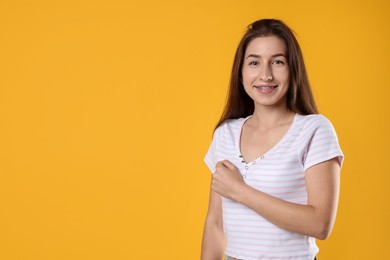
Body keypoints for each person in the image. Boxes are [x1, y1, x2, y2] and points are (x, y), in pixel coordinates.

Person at [201, 19, 344, 260]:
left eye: (277, 62)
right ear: (241, 72)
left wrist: (240, 191)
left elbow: (320, 224)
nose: (265, 75)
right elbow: (215, 222)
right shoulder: (225, 134)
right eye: (254, 62)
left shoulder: (314, 130)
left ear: (293, 69)